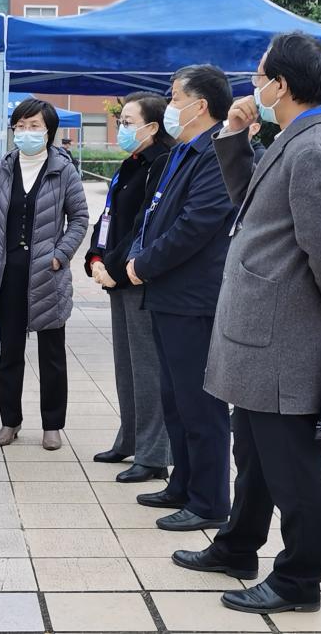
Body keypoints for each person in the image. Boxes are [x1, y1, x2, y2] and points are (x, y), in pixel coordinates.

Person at [173, 32, 321, 615]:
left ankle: (300, 577)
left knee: (291, 464)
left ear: (280, 84)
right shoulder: (297, 137)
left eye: (259, 77)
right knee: (254, 452)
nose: (252, 85)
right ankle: (238, 545)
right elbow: (251, 207)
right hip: (261, 327)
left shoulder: (314, 147)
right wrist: (235, 136)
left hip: (283, 333)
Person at [126, 65, 236, 532]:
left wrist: (145, 264)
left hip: (194, 298)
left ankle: (209, 501)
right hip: (168, 294)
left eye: (174, 98)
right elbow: (155, 214)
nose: (169, 106)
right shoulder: (183, 152)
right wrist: (136, 255)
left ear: (200, 105)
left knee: (200, 404)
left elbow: (196, 224)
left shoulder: (218, 152)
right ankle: (184, 484)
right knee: (174, 398)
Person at [0, 99, 88, 450]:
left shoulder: (63, 170)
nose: (26, 132)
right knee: (10, 352)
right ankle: (10, 421)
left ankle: (52, 425)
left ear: (48, 131)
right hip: (7, 271)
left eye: (34, 125)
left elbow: (80, 218)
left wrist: (60, 255)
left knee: (52, 354)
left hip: (47, 273)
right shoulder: (2, 169)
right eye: (21, 126)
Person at [85, 91, 174, 483]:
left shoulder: (162, 163)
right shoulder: (131, 163)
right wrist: (94, 255)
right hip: (116, 276)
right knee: (126, 364)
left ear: (152, 126)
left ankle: (154, 455)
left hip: (139, 278)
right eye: (120, 121)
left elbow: (145, 226)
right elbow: (108, 216)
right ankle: (130, 438)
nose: (121, 128)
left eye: (128, 122)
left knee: (148, 367)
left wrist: (115, 269)